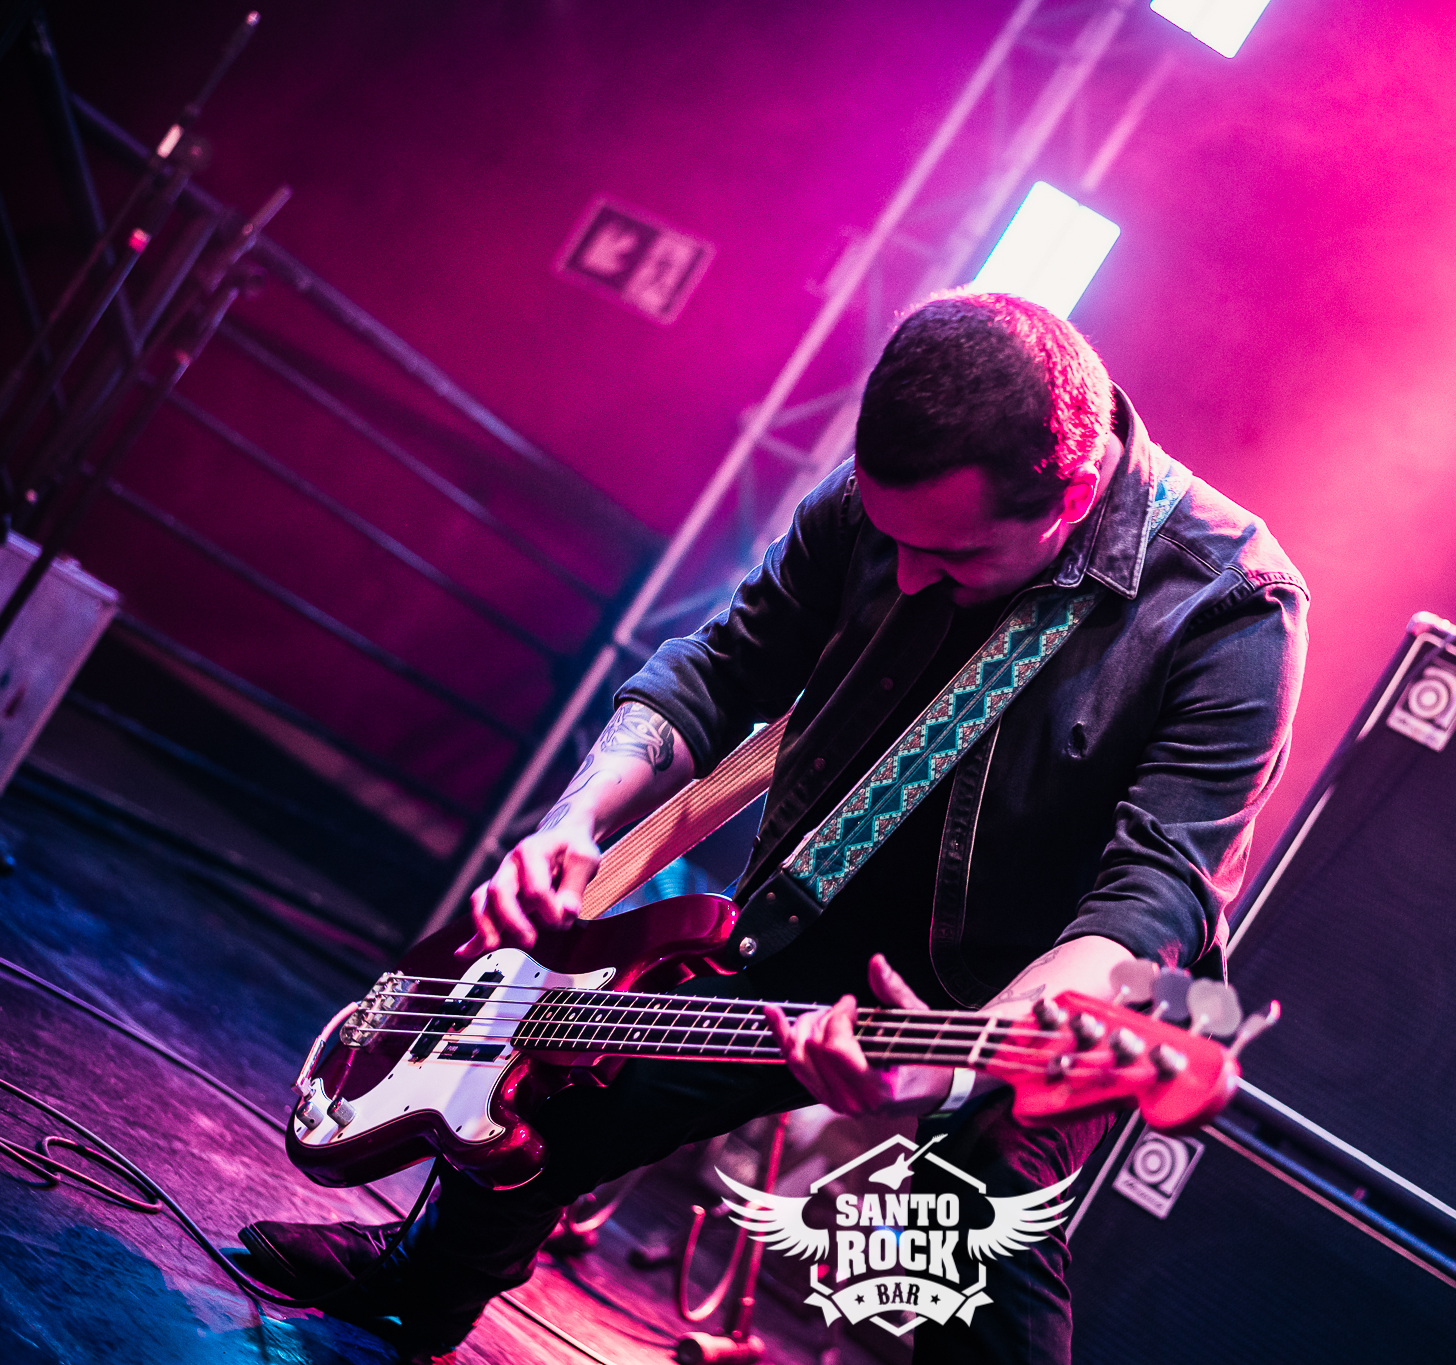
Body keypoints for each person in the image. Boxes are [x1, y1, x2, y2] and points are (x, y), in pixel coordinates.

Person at [239, 291, 1308, 1362]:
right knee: (564, 1079)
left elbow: (1152, 890)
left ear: (1069, 495)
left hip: (1037, 996)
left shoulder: (1232, 603)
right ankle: (417, 1287)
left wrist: (953, 1066)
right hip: (809, 921)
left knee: (979, 1219)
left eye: (950, 557)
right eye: (892, 540)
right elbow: (720, 669)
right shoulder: (880, 502)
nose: (906, 575)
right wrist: (575, 823)